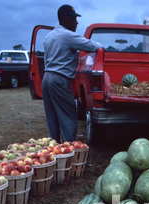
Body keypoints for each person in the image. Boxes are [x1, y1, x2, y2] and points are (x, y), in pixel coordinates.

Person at [41, 5, 102, 143]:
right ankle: (68, 152)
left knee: (53, 119)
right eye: (74, 18)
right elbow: (92, 46)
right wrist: (103, 47)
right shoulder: (68, 35)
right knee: (69, 118)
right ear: (65, 18)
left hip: (47, 77)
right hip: (59, 79)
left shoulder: (49, 36)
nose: (77, 22)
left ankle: (54, 151)